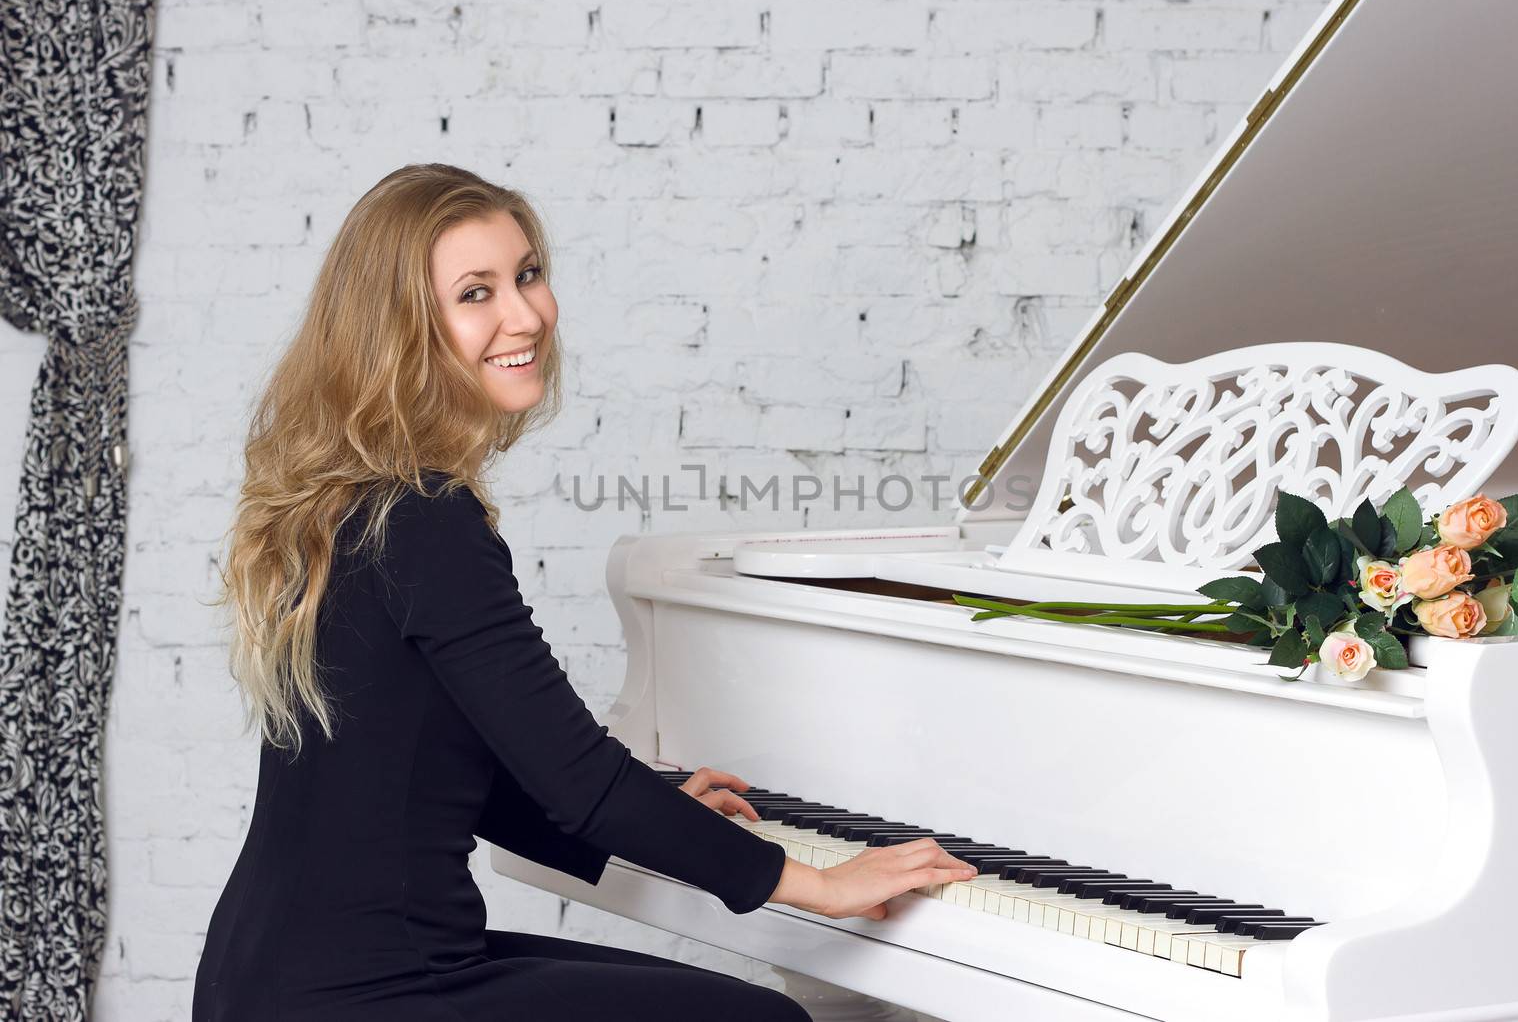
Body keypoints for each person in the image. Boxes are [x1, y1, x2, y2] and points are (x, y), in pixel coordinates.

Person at [193, 163, 977, 1021]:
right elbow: (580, 781)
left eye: (527, 274)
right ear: (402, 331)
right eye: (475, 293)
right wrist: (816, 884)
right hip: (373, 987)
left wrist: (661, 815)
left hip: (268, 975)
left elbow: (447, 774)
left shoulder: (353, 502)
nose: (524, 314)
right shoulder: (426, 519)